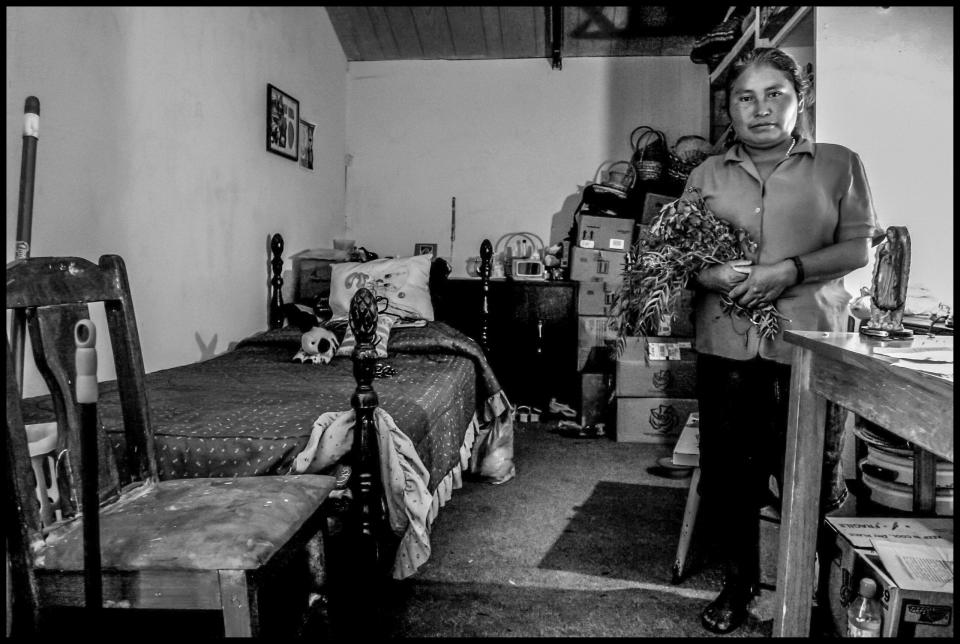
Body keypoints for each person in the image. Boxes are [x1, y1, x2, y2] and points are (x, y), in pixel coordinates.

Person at [684, 47, 884, 634]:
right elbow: (674, 258)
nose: (761, 108)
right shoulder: (705, 175)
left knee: (811, 479)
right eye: (746, 97)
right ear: (730, 108)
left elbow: (857, 248)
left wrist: (789, 271)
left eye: (776, 95)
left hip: (810, 347)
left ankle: (819, 591)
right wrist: (709, 275)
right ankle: (740, 584)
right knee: (730, 475)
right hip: (725, 346)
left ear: (801, 100)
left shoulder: (838, 164)